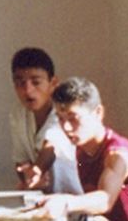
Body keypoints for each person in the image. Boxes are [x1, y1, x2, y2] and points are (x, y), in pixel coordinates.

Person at [41, 77, 128, 221]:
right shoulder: (81, 148)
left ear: (98, 113)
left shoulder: (117, 154)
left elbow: (105, 200)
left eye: (73, 118)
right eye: (61, 119)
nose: (66, 127)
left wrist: (65, 203)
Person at [8, 47, 82, 194]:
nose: (28, 90)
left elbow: (50, 147)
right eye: (20, 83)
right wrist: (26, 176)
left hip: (74, 198)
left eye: (36, 82)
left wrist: (37, 170)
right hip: (42, 198)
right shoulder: (18, 115)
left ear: (53, 83)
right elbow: (21, 160)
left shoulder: (64, 113)